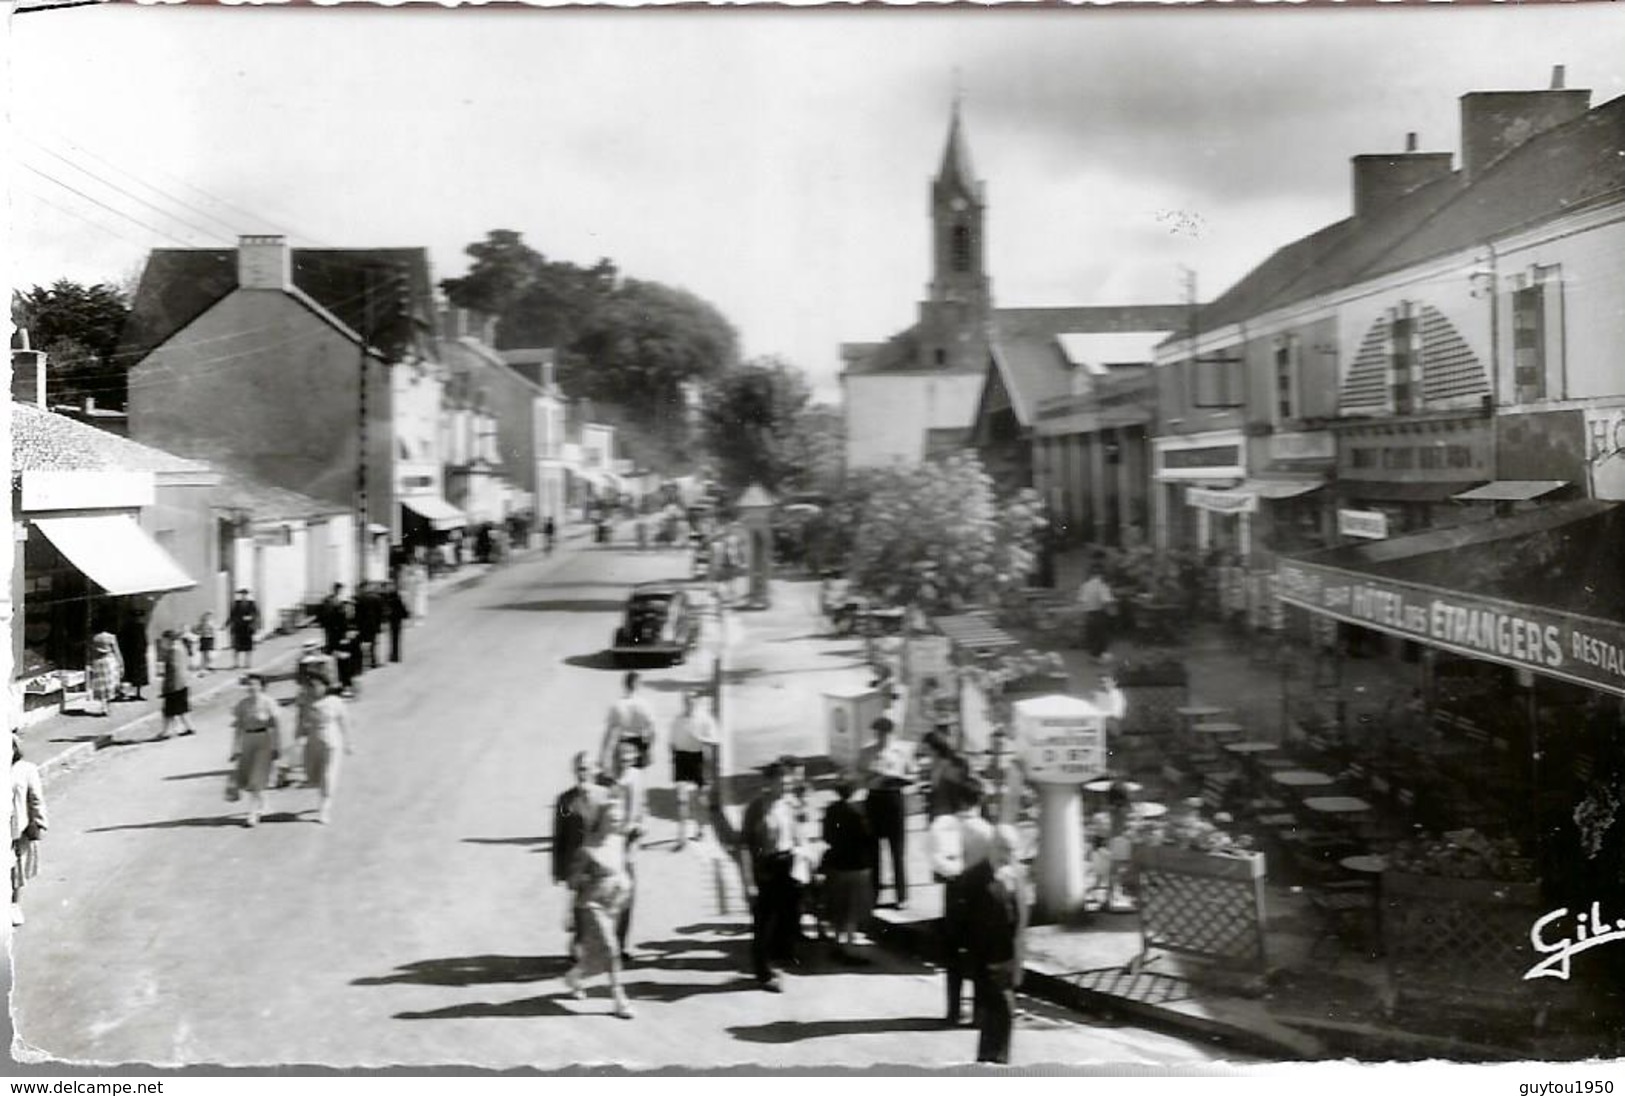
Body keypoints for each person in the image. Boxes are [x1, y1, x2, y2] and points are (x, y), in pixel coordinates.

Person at [562, 792, 635, 1019]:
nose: (615, 823)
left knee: (598, 954)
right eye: (611, 819)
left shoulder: (618, 840)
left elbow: (623, 866)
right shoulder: (587, 849)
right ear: (602, 820)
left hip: (613, 903)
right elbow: (572, 881)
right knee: (611, 949)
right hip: (591, 905)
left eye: (618, 820)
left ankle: (575, 976)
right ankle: (619, 999)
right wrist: (568, 913)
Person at [932, 778, 996, 1028]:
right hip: (980, 898)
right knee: (980, 956)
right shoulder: (987, 831)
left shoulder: (946, 828)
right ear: (980, 800)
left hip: (954, 894)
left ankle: (953, 1011)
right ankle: (979, 1012)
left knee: (953, 956)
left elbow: (940, 869)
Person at [963, 825, 1027, 1064]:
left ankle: (989, 1063)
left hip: (1009, 955)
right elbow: (964, 921)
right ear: (992, 847)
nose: (1007, 855)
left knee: (996, 1016)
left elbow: (1021, 917)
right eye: (1003, 849)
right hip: (987, 956)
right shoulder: (974, 878)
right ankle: (995, 1063)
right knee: (1003, 1011)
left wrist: (1019, 957)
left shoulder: (1016, 875)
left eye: (1011, 850)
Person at [740, 757, 804, 992]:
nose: (786, 786)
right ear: (769, 782)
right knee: (763, 923)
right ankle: (763, 973)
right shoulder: (756, 807)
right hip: (765, 868)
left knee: (786, 919)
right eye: (781, 782)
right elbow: (745, 845)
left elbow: (798, 835)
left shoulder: (790, 804)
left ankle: (777, 964)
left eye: (788, 782)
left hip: (788, 865)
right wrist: (748, 882)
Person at [859, 717, 911, 910]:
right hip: (874, 800)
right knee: (873, 851)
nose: (882, 737)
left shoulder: (901, 752)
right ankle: (874, 894)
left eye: (886, 733)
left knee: (897, 851)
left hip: (894, 800)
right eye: (879, 733)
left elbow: (911, 774)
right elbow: (859, 776)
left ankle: (901, 896)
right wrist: (873, 776)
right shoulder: (866, 752)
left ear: (892, 734)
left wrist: (900, 778)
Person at [820, 777, 872, 963]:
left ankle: (837, 944)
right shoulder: (859, 812)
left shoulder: (831, 810)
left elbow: (825, 836)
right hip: (857, 866)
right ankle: (850, 950)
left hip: (837, 864)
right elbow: (868, 837)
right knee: (852, 910)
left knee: (838, 907)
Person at [604, 738, 646, 963]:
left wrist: (641, 826)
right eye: (620, 755)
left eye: (628, 755)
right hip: (611, 843)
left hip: (629, 844)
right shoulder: (609, 781)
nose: (624, 760)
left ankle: (621, 943)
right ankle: (606, 941)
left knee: (627, 894)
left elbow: (641, 809)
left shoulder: (638, 778)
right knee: (608, 893)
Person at [229, 674, 284, 828]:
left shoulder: (269, 703)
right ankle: (264, 804)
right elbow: (238, 727)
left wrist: (277, 746)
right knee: (249, 777)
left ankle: (252, 814)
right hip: (247, 740)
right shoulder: (242, 705)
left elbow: (277, 726)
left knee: (257, 777)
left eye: (255, 684)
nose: (252, 687)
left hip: (264, 740)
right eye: (249, 685)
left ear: (261, 686)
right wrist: (235, 748)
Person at [668, 689, 718, 849]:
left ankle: (700, 829)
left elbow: (716, 739)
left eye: (691, 701)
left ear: (697, 702)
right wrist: (673, 758)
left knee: (699, 799)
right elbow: (671, 742)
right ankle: (681, 836)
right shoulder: (677, 720)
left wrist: (701, 739)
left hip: (698, 758)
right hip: (681, 759)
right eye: (686, 701)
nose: (688, 704)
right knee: (681, 799)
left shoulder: (704, 719)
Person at [300, 681, 354, 824]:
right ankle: (323, 796)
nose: (314, 689)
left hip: (332, 741)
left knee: (328, 774)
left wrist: (349, 742)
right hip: (313, 741)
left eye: (318, 686)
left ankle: (325, 808)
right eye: (312, 686)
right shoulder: (306, 701)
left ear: (325, 687)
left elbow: (345, 721)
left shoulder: (335, 702)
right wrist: (299, 735)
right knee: (314, 774)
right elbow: (301, 720)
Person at [11, 733, 48, 926]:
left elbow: (36, 798)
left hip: (17, 827)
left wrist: (39, 822)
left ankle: (14, 905)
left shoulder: (26, 770)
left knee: (15, 869)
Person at [599, 671, 655, 775]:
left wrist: (603, 754)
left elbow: (608, 732)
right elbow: (652, 730)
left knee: (621, 778)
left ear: (624, 685)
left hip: (622, 744)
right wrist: (650, 749)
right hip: (640, 743)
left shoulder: (617, 705)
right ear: (637, 685)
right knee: (637, 779)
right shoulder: (645, 705)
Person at [921, 730, 972, 821]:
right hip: (952, 811)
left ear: (935, 750)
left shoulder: (946, 764)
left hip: (947, 813)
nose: (926, 755)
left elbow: (946, 787)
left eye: (927, 751)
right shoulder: (956, 761)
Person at [156, 630, 197, 740]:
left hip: (174, 685)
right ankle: (190, 727)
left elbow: (173, 670)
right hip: (183, 683)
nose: (162, 642)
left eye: (164, 640)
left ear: (169, 640)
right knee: (182, 709)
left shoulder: (172, 651)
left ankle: (166, 732)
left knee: (168, 711)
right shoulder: (182, 648)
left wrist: (166, 687)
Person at [1077, 560, 1117, 660]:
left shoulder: (1084, 586)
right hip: (1100, 613)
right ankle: (1101, 656)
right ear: (1101, 574)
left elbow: (1081, 601)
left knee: (1092, 635)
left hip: (1089, 614)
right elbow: (1105, 601)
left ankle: (1094, 656)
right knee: (1102, 636)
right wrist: (1112, 612)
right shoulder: (1102, 586)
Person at [86, 628, 123, 717]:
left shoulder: (94, 638)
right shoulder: (111, 637)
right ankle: (108, 706)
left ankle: (103, 706)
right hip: (109, 661)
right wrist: (121, 664)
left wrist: (90, 663)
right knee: (110, 685)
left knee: (101, 685)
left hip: (98, 661)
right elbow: (116, 651)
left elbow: (90, 652)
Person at [117, 606, 151, 701]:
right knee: (130, 674)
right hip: (132, 654)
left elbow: (144, 641)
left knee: (137, 675)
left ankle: (136, 693)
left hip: (137, 654)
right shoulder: (130, 627)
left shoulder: (138, 626)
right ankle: (128, 693)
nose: (138, 619)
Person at [228, 588, 260, 670]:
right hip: (238, 628)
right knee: (237, 647)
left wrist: (251, 618)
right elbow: (232, 615)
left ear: (248, 595)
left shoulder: (251, 604)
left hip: (247, 628)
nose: (243, 596)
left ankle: (247, 663)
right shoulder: (236, 604)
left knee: (248, 647)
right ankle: (236, 663)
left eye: (245, 595)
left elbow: (256, 614)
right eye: (242, 595)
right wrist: (226, 624)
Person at [355, 582, 384, 669]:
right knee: (373, 644)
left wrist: (357, 625)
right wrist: (379, 625)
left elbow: (357, 614)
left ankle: (360, 663)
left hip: (362, 625)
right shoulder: (376, 598)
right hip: (373, 624)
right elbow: (380, 614)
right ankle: (373, 662)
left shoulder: (359, 598)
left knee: (361, 643)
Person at [382, 580, 410, 663]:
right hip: (396, 620)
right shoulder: (396, 596)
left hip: (394, 620)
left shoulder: (392, 597)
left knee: (394, 638)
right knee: (395, 638)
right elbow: (403, 608)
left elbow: (399, 608)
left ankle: (395, 656)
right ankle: (395, 655)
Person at [319, 584, 349, 655]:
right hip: (335, 626)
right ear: (336, 589)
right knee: (334, 643)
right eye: (340, 590)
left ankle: (330, 653)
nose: (340, 591)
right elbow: (340, 614)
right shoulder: (334, 600)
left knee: (330, 641)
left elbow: (322, 612)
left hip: (330, 625)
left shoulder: (328, 599)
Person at [336, 628, 365, 698]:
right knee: (344, 675)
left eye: (353, 633)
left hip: (352, 662)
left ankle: (349, 689)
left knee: (349, 675)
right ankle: (346, 688)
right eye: (349, 633)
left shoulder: (355, 642)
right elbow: (336, 649)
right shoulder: (342, 641)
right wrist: (339, 654)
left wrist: (349, 655)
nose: (351, 634)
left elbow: (357, 654)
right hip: (343, 661)